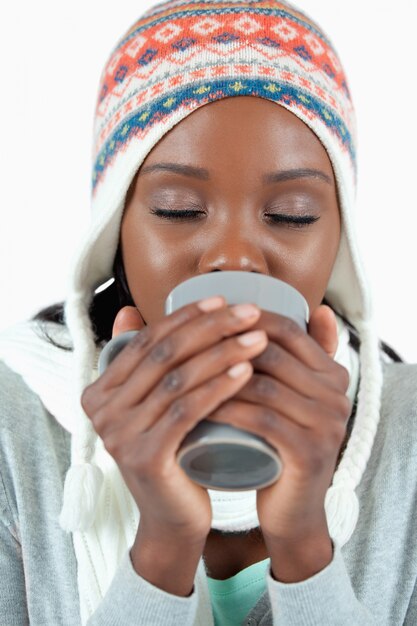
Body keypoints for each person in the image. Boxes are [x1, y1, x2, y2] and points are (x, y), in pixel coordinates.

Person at [0, 0, 416, 624]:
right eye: (177, 209)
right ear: (114, 235)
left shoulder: (405, 443)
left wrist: (305, 548)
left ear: (339, 245)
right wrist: (162, 548)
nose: (235, 258)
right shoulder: (14, 429)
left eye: (291, 215)